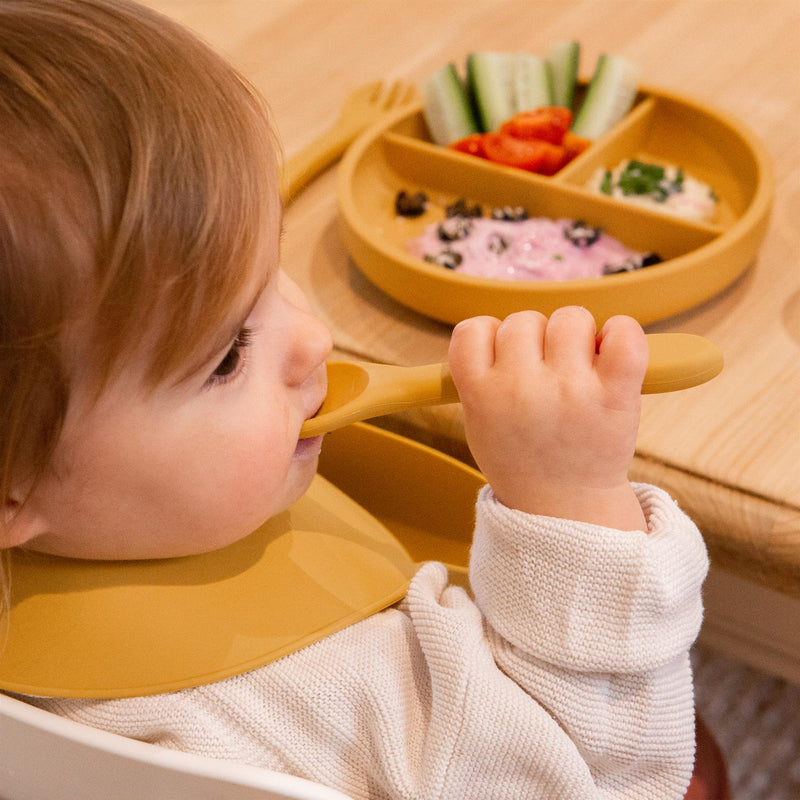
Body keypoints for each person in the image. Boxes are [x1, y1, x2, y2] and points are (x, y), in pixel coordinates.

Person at [0, 1, 709, 798]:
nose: (312, 339)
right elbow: (612, 774)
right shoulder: (327, 701)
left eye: (270, 273)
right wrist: (575, 503)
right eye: (229, 353)